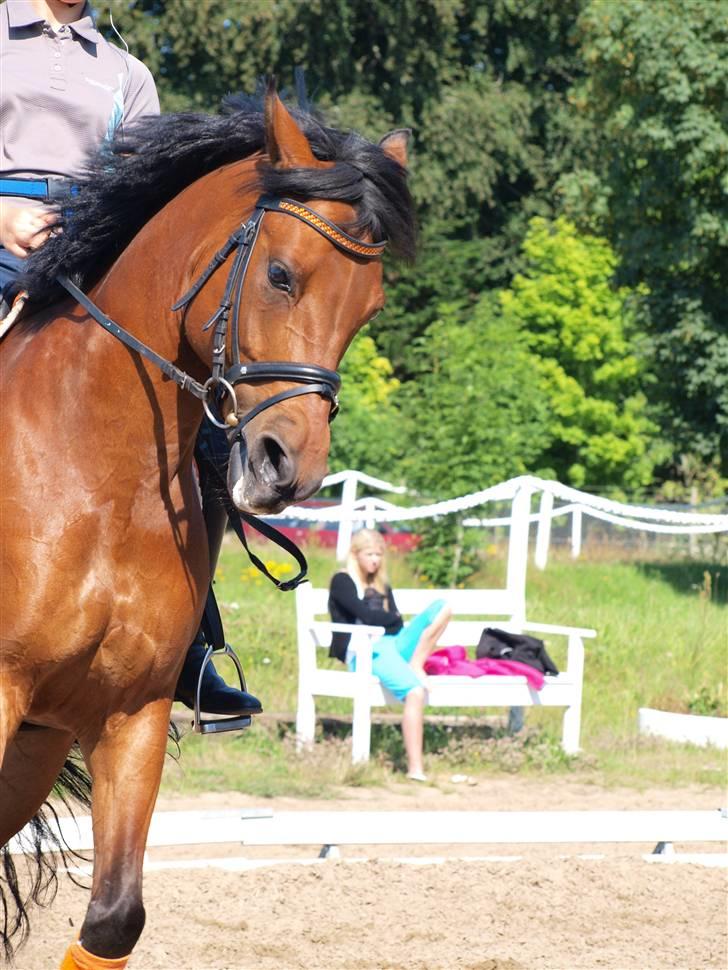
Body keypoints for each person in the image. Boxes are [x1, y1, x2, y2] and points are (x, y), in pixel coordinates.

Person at [0, 0, 261, 718]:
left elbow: (144, 188)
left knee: (199, 422)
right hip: (2, 237)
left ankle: (195, 646)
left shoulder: (125, 71)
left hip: (90, 250)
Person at [329, 529, 451, 781]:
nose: (374, 560)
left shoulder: (382, 584)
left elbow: (396, 621)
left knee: (442, 607)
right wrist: (390, 620)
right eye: (369, 554)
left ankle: (417, 662)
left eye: (378, 554)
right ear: (356, 554)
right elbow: (370, 617)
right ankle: (415, 768)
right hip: (365, 651)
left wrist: (391, 621)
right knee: (415, 692)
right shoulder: (342, 581)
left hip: (393, 643)